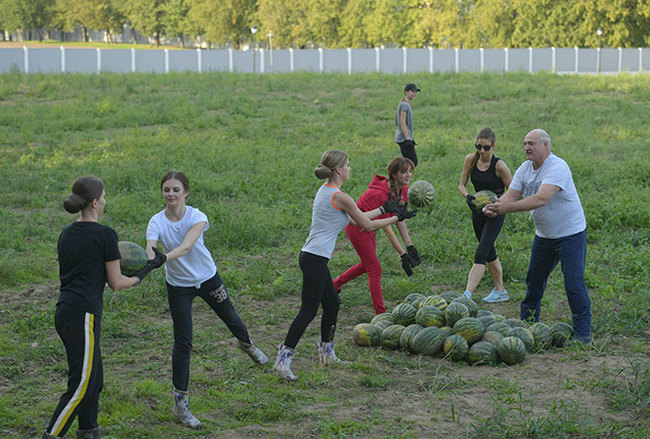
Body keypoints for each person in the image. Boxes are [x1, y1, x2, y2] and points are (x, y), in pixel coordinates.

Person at [273, 150, 416, 381]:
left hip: (313, 257)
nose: (350, 168)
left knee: (332, 304)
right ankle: (283, 359)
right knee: (308, 311)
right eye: (347, 165)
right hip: (315, 259)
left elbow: (353, 218)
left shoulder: (328, 192)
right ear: (338, 170)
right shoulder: (341, 196)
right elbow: (367, 226)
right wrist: (397, 217)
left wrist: (384, 210)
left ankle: (327, 353)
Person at [145, 170, 268, 429]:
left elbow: (187, 246)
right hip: (179, 286)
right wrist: (149, 258)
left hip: (208, 278)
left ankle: (247, 345)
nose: (170, 194)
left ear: (186, 192)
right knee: (183, 342)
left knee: (232, 319)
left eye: (176, 190)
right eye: (166, 190)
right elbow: (150, 248)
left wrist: (162, 259)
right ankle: (181, 405)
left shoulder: (197, 216)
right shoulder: (156, 221)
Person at [43, 176, 164, 439]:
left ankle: (88, 431)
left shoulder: (67, 233)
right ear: (96, 203)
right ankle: (51, 436)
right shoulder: (105, 235)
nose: (106, 201)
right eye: (104, 197)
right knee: (81, 385)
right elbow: (117, 283)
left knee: (94, 380)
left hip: (66, 311)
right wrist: (146, 270)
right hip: (83, 316)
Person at [483, 129, 591, 344]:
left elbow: (541, 199)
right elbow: (512, 194)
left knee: (573, 284)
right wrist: (495, 206)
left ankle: (582, 334)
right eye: (525, 143)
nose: (527, 147)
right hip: (544, 236)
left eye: (531, 143)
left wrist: (506, 209)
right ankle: (528, 327)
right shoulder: (524, 169)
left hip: (571, 234)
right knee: (534, 282)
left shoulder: (558, 167)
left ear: (546, 146)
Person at [333, 157, 420, 314]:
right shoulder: (379, 194)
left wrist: (410, 245)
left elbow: (400, 218)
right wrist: (402, 254)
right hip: (358, 229)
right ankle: (381, 313)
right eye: (403, 172)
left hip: (371, 226)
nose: (408, 175)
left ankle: (334, 285)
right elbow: (388, 226)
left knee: (366, 265)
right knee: (375, 269)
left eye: (410, 172)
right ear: (393, 174)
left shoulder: (403, 190)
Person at [458, 127, 512, 302]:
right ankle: (500, 290)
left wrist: (497, 205)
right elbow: (462, 185)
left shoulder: (499, 166)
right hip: (478, 211)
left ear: (493, 146)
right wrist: (467, 196)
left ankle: (467, 295)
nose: (482, 151)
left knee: (481, 252)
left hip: (495, 213)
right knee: (489, 251)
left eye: (486, 147)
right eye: (478, 146)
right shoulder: (471, 160)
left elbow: (513, 191)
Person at [394, 83, 420, 166]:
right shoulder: (404, 105)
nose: (414, 93)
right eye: (412, 91)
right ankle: (404, 176)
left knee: (409, 162)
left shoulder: (404, 104)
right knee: (412, 162)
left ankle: (405, 176)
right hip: (404, 138)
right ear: (406, 92)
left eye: (415, 91)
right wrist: (408, 139)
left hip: (404, 137)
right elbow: (402, 122)